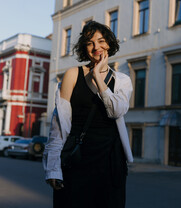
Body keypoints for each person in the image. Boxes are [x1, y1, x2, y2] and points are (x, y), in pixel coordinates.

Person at [43, 21, 133, 208]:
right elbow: (58, 124)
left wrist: (99, 78)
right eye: (90, 42)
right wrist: (53, 169)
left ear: (109, 44)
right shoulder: (72, 75)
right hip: (77, 160)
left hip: (111, 162)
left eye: (101, 41)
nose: (96, 47)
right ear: (84, 47)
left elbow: (116, 111)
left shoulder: (122, 80)